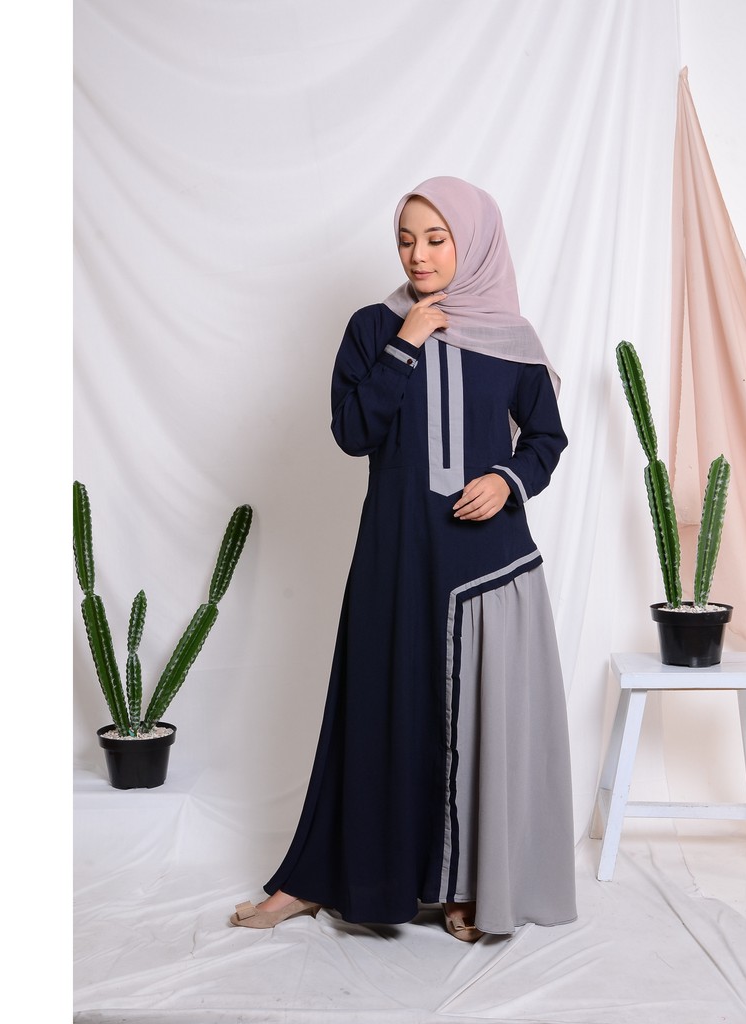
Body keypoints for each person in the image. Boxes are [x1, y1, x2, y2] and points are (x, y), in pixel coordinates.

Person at [230, 176, 576, 941]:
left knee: (471, 726)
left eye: (436, 239)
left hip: (482, 566)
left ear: (472, 243)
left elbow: (546, 438)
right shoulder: (373, 327)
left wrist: (506, 479)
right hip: (394, 557)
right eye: (406, 239)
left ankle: (465, 887)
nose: (418, 254)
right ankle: (325, 880)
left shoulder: (509, 337)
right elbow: (353, 432)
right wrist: (405, 345)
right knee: (378, 712)